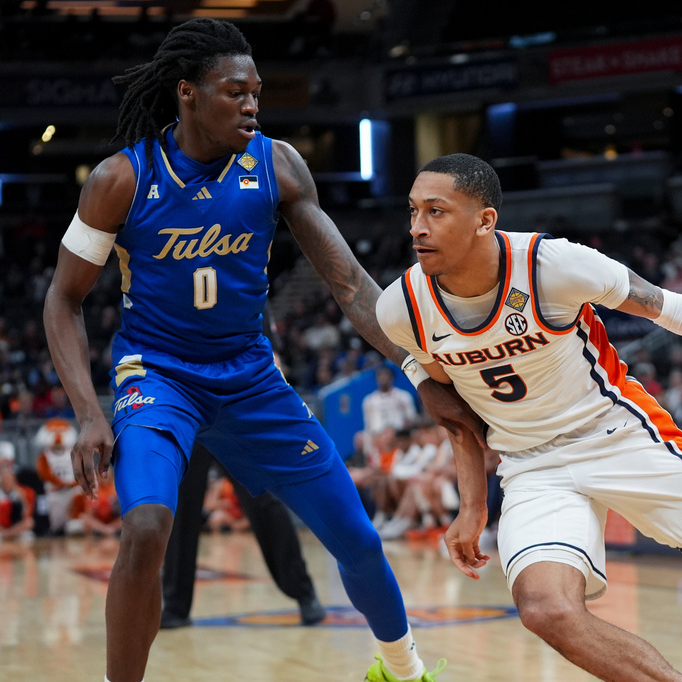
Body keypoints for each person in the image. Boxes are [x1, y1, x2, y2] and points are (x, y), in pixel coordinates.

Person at [42, 18, 476, 682]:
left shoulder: (276, 165)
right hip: (158, 378)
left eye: (257, 92)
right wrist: (88, 413)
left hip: (250, 378)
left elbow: (352, 287)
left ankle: (403, 669)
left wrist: (417, 369)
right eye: (234, 91)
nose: (251, 104)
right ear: (187, 93)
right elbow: (62, 301)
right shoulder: (120, 180)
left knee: (356, 539)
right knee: (149, 524)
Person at [376, 153, 682, 682]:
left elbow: (669, 307)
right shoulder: (402, 308)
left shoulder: (554, 266)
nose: (417, 228)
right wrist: (472, 506)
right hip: (530, 466)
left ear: (485, 220)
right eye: (412, 212)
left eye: (435, 211)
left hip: (620, 434)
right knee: (545, 609)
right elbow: (455, 415)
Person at [160, 442, 327, 630]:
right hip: (190, 418)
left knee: (263, 498)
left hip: (230, 416)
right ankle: (175, 606)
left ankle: (304, 592)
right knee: (181, 505)